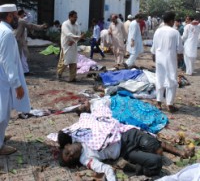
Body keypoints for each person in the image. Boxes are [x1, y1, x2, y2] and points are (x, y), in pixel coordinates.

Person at [57, 98, 194, 179]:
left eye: (67, 152)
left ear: (66, 146)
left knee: (155, 148)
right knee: (156, 162)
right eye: (71, 158)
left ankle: (179, 152)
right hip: (125, 151)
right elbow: (107, 169)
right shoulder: (86, 159)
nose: (72, 154)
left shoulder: (77, 133)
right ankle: (135, 168)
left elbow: (88, 115)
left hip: (126, 134)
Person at [0, 4, 30, 155]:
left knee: (3, 111)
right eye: (15, 15)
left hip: (2, 78)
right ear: (9, 16)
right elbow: (8, 62)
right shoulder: (6, 33)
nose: (18, 18)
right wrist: (17, 84)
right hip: (3, 81)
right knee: (3, 113)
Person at [151, 11, 183, 113]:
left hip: (159, 57)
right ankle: (169, 104)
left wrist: (154, 55)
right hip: (170, 58)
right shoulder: (175, 32)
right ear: (171, 21)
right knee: (171, 80)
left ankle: (159, 103)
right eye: (173, 20)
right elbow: (180, 49)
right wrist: (180, 57)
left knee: (159, 78)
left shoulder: (157, 31)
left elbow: (154, 47)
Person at [14, 9, 47, 75]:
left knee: (20, 57)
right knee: (23, 57)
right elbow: (31, 26)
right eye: (23, 14)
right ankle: (25, 71)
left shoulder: (14, 20)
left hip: (17, 41)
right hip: (20, 42)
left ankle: (22, 71)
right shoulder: (21, 21)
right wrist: (41, 27)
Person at [57, 10, 85, 82]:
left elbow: (78, 33)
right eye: (74, 17)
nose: (76, 19)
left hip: (73, 45)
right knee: (64, 61)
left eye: (76, 17)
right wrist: (78, 37)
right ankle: (59, 73)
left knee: (73, 61)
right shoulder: (65, 24)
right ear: (70, 17)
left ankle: (72, 78)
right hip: (66, 45)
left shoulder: (76, 24)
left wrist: (74, 41)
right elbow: (68, 34)